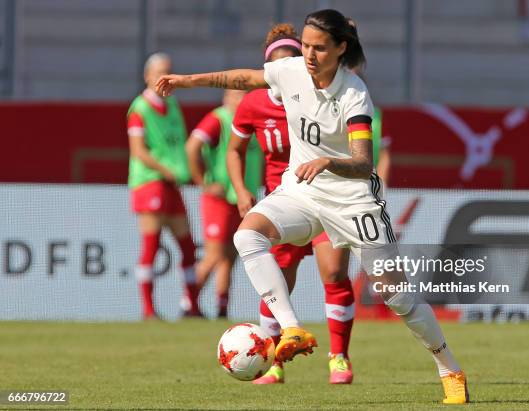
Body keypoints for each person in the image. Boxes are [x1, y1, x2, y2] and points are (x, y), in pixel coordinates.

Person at [156, 9, 469, 404]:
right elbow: (243, 78)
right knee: (247, 235)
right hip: (303, 192)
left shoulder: (355, 94)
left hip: (355, 202)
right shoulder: (290, 71)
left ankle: (449, 367)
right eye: (305, 45)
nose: (309, 54)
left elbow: (363, 164)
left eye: (319, 47)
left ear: (340, 49)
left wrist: (327, 161)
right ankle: (292, 329)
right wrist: (187, 81)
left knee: (397, 297)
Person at [227, 23, 356, 385]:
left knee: (333, 273)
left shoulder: (321, 95)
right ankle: (275, 363)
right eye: (278, 65)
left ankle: (339, 358)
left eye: (293, 61)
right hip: (284, 204)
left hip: (327, 197)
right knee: (277, 280)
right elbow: (234, 150)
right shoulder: (253, 103)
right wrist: (240, 190)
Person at [127, 52, 200, 319]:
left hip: (172, 183)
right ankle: (148, 310)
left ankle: (192, 307)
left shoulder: (172, 105)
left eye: (168, 71)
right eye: (159, 72)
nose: (164, 77)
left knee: (188, 246)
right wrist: (166, 170)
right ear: (147, 76)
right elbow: (139, 151)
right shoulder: (140, 108)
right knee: (151, 244)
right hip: (150, 183)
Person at [184, 90, 262, 318]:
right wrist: (204, 183)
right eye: (236, 95)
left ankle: (221, 308)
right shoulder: (219, 119)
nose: (240, 99)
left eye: (244, 95)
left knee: (230, 255)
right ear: (226, 98)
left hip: (242, 198)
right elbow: (192, 147)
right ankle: (188, 304)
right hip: (219, 198)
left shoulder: (252, 123)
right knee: (214, 254)